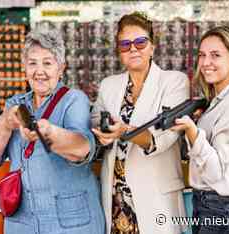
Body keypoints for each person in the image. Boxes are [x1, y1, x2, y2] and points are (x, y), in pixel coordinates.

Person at [0, 23, 105, 234]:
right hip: (23, 222)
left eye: (47, 63)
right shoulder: (15, 103)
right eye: (32, 63)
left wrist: (49, 133)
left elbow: (81, 149)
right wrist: (7, 122)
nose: (40, 72)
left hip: (71, 222)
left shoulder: (74, 100)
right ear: (24, 67)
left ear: (61, 68)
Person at [91, 12, 189, 234]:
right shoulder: (109, 85)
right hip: (117, 200)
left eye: (140, 42)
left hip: (156, 201)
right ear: (119, 51)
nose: (133, 49)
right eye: (125, 44)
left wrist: (123, 130)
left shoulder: (174, 82)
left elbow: (163, 138)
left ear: (152, 47)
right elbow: (96, 122)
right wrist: (101, 134)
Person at [170, 26, 229, 234]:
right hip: (212, 206)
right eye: (202, 55)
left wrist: (193, 132)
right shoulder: (219, 101)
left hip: (221, 209)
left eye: (215, 55)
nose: (206, 63)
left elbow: (215, 173)